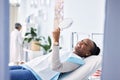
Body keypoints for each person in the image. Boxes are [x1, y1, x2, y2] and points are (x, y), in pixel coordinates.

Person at [9, 27, 100, 80]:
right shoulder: (67, 52)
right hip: (28, 66)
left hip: (35, 75)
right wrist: (27, 63)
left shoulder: (77, 61)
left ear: (88, 53)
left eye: (85, 44)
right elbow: (46, 59)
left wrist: (56, 41)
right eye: (81, 40)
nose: (80, 43)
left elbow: (56, 67)